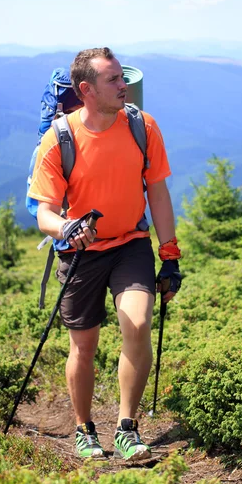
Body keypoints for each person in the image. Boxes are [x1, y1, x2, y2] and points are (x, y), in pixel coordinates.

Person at [28, 47, 181, 461]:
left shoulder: (142, 126)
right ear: (86, 90)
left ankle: (127, 428)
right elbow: (42, 210)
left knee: (137, 322)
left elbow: (158, 192)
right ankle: (83, 428)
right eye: (113, 80)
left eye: (123, 78)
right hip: (81, 250)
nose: (124, 86)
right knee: (84, 345)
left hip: (131, 242)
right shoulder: (59, 138)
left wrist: (170, 254)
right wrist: (66, 228)